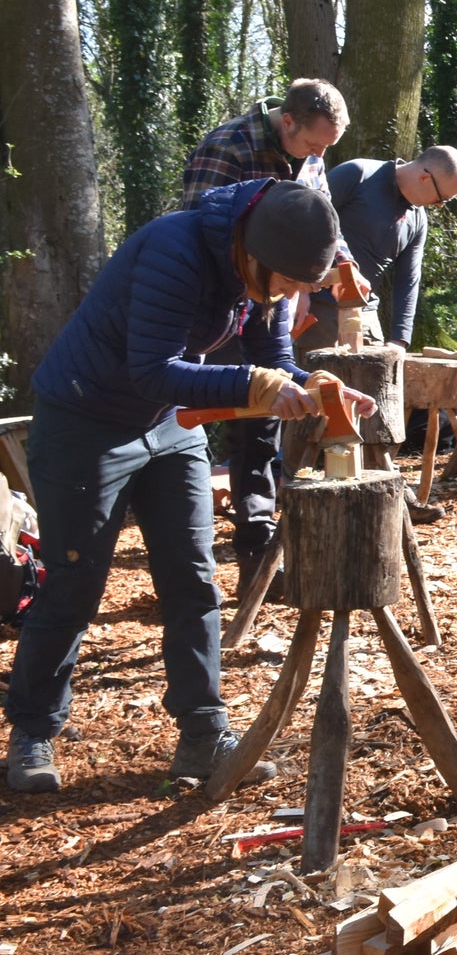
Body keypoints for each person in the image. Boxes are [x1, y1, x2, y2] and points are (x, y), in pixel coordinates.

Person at [4, 180, 373, 793]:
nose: (288, 295)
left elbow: (271, 348)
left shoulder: (269, 263)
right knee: (74, 580)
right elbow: (153, 371)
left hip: (168, 427)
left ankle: (202, 734)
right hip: (85, 422)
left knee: (192, 576)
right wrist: (256, 389)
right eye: (284, 282)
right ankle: (33, 731)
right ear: (252, 253)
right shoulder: (173, 250)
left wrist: (311, 384)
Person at [182, 79, 355, 592]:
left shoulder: (310, 154)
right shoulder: (228, 147)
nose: (319, 155)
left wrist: (340, 261)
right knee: (231, 414)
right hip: (218, 306)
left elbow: (320, 217)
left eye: (327, 147)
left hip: (270, 298)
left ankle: (258, 549)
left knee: (265, 420)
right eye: (314, 144)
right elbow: (197, 232)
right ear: (287, 122)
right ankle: (197, 564)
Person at [304, 147, 457, 353]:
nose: (439, 206)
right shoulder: (358, 174)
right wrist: (299, 291)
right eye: (441, 198)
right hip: (317, 306)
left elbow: (408, 279)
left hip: (365, 313)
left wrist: (400, 339)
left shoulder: (418, 220)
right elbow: (306, 222)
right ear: (425, 178)